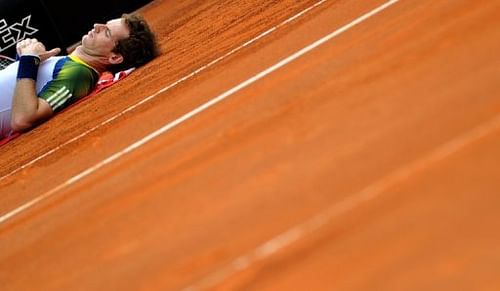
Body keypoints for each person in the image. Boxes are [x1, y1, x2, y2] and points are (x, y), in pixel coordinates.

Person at [0, 13, 159, 139]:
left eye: (107, 32)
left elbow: (23, 119)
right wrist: (25, 58)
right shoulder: (67, 62)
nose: (97, 26)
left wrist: (28, 60)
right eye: (104, 24)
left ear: (114, 57)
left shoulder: (79, 74)